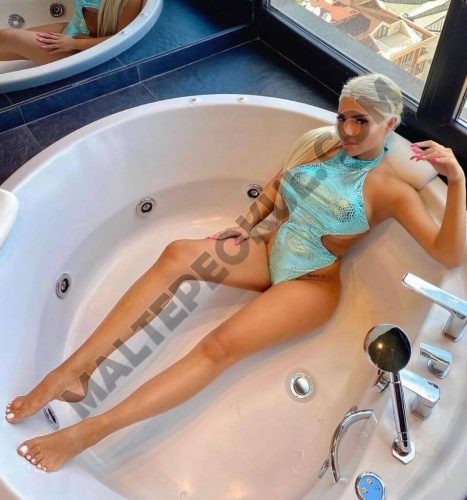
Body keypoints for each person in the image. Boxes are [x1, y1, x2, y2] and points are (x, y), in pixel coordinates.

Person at [5, 73, 466, 473]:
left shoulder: (391, 190)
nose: (346, 129)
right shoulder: (326, 145)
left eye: (360, 121)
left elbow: (447, 254)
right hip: (270, 250)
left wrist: (458, 180)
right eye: (343, 116)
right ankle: (75, 372)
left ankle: (92, 430)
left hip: (310, 283)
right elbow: (279, 182)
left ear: (390, 124)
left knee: (217, 347)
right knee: (176, 254)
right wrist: (246, 225)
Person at [0, 0, 143, 65]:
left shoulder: (131, 1)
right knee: (4, 43)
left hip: (82, 50)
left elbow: (121, 39)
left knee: (8, 37)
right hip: (71, 30)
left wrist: (73, 44)